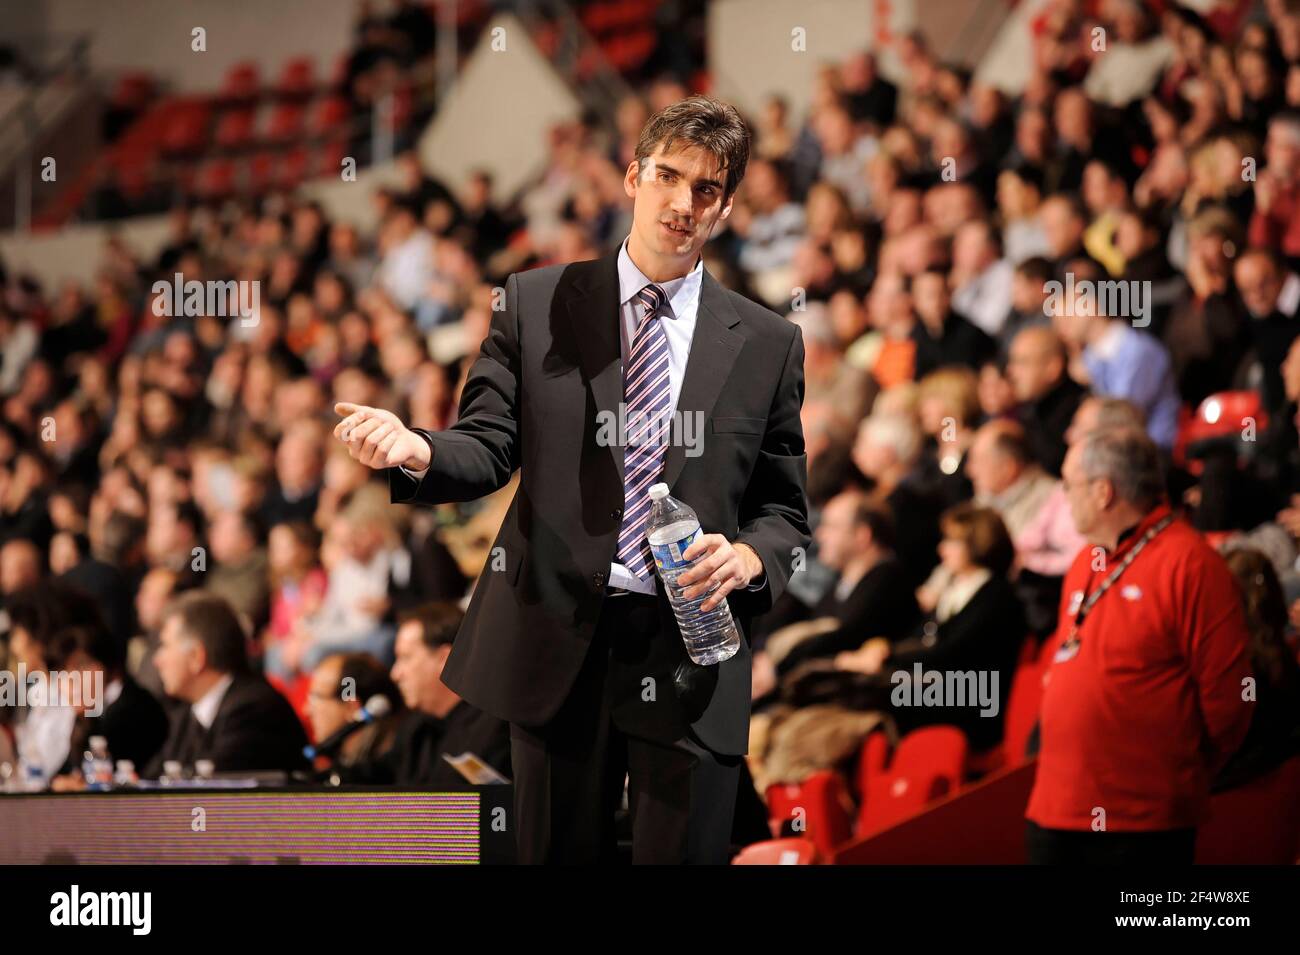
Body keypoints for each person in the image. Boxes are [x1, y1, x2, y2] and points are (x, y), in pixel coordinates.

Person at [334, 96, 811, 864]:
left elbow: (785, 512)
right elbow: (489, 445)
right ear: (632, 177)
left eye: (706, 189)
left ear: (725, 205)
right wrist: (416, 449)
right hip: (557, 638)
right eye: (668, 176)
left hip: (689, 653)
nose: (683, 203)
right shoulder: (536, 301)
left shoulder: (767, 342)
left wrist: (752, 558)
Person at [1026, 429, 1253, 864]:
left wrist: (1178, 773)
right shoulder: (1084, 562)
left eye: (1068, 483)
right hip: (1055, 810)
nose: (1062, 495)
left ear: (1102, 492)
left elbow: (1231, 699)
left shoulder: (1191, 563)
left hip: (1142, 821)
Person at [146, 591, 309, 778]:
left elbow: (212, 792)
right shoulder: (185, 716)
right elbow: (151, 781)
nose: (157, 660)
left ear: (196, 657)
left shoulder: (255, 711)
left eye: (165, 645)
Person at [385, 602, 511, 787]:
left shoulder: (496, 731)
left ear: (444, 658)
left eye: (405, 657)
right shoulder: (414, 729)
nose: (395, 674)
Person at [303, 652, 403, 782]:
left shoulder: (383, 771)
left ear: (350, 707)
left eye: (315, 699)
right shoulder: (348, 763)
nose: (307, 710)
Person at [1006, 326, 1086, 476]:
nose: (1011, 372)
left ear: (1052, 367)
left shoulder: (1079, 411)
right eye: (1012, 362)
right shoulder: (1030, 410)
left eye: (1022, 362)